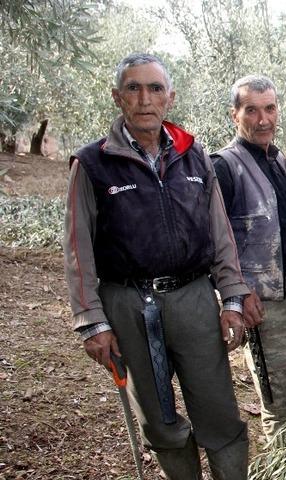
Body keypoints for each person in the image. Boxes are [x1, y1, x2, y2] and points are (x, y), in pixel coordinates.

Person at [63, 53, 250, 480]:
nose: (145, 99)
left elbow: (220, 233)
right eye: (134, 88)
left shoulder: (193, 154)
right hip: (127, 304)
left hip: (194, 299)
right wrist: (92, 321)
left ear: (170, 97)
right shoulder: (91, 164)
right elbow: (77, 250)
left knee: (219, 412)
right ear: (117, 97)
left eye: (155, 88)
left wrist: (233, 297)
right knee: (159, 420)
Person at [211, 75, 286, 442]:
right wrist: (236, 295)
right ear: (234, 115)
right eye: (251, 110)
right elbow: (211, 242)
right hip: (265, 307)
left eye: (270, 108)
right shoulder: (223, 166)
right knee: (282, 406)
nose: (263, 119)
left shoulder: (281, 161)